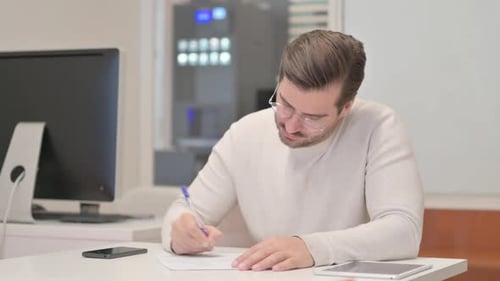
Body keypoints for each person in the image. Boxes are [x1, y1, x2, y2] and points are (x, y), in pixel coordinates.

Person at [162, 29, 423, 272]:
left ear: (346, 108)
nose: (291, 125)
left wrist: (311, 247)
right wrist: (180, 233)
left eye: (312, 117)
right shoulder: (246, 133)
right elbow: (184, 210)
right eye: (285, 104)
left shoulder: (377, 127)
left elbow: (403, 230)